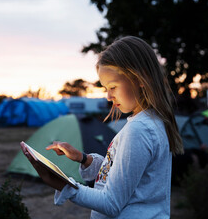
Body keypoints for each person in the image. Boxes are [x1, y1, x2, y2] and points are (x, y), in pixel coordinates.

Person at [21, 36, 184, 218]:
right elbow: (124, 176)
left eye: (113, 86)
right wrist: (84, 159)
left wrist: (65, 185)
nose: (108, 96)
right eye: (106, 88)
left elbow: (111, 203)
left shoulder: (139, 130)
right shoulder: (152, 122)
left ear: (140, 78)